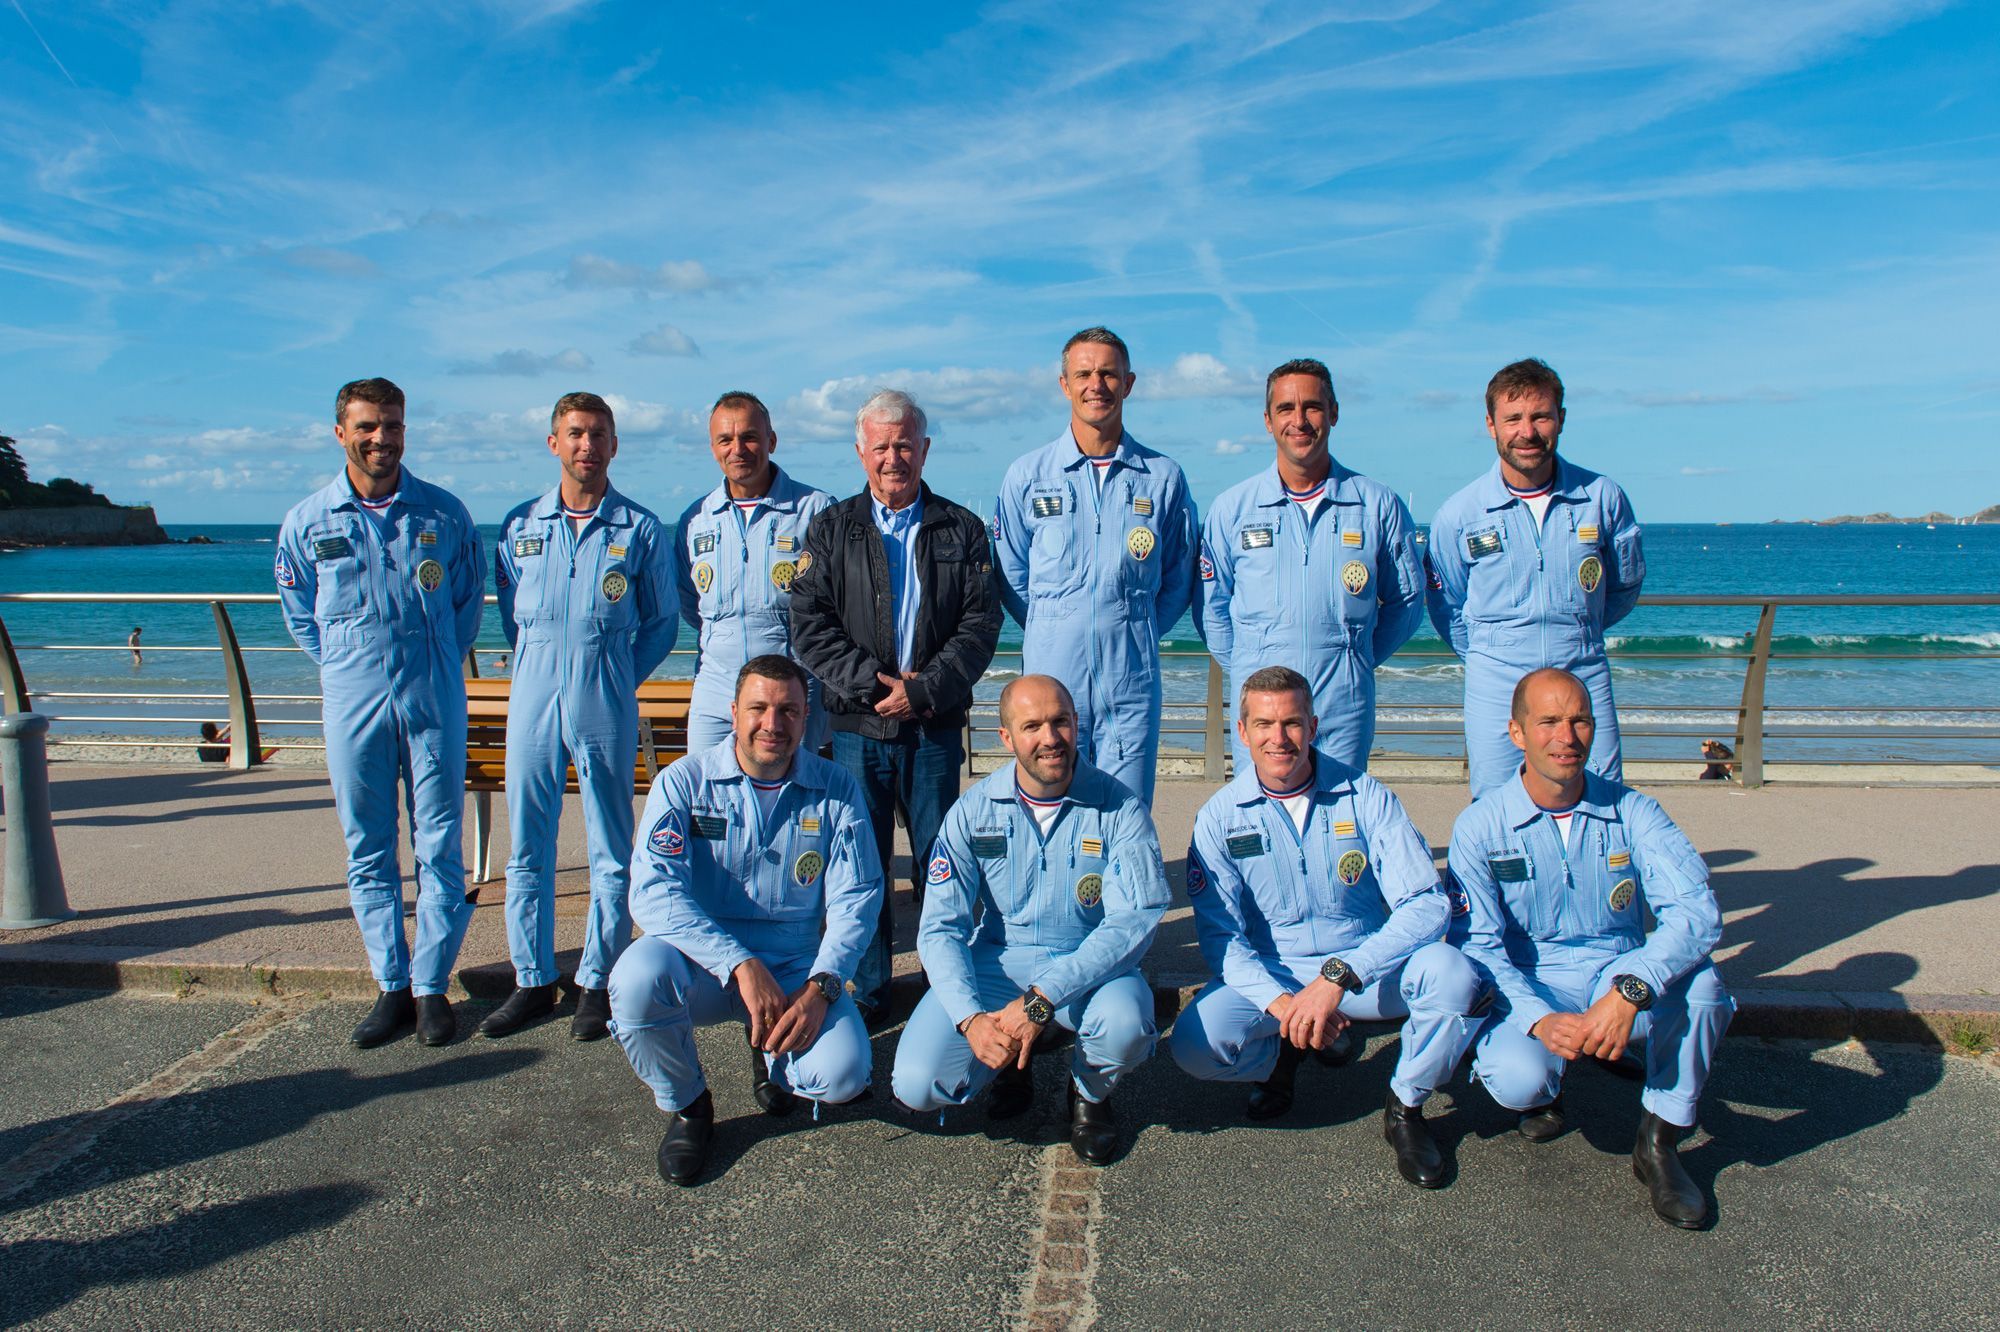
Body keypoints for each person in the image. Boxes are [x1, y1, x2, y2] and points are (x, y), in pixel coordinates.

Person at [1168, 666, 1480, 1188]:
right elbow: (1223, 939)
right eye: (1264, 724)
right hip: (1280, 976)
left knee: (1452, 974)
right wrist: (1286, 1004)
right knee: (1195, 1045)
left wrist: (1338, 977)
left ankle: (1406, 1105)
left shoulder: (1366, 796)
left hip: (1366, 971)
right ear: (1241, 732)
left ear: (1313, 726)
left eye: (1292, 723)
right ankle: (1282, 1056)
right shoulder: (1219, 817)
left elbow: (1427, 904)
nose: (1278, 738)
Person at [1450, 667, 1734, 1228]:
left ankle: (1659, 1142)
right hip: (1531, 983)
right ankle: (1545, 1086)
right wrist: (1538, 1019)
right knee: (1518, 1080)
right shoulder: (1480, 827)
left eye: (1580, 720)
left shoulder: (1635, 812)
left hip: (1615, 973)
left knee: (1704, 987)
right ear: (1516, 733)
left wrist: (1631, 989)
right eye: (1549, 721)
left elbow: (1697, 912)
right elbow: (1478, 945)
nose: (1567, 736)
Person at [607, 655, 883, 1186]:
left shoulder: (837, 788)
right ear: (734, 713)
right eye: (758, 708)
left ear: (809, 719)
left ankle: (771, 1051)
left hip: (791, 966)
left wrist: (822, 986)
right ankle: (690, 1104)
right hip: (702, 962)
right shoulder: (683, 783)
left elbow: (858, 898)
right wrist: (737, 961)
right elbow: (652, 891)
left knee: (844, 1075)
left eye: (789, 711)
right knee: (635, 982)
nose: (773, 725)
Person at [274, 377, 483, 1048]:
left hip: (432, 696)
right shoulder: (309, 522)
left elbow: (467, 608)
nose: (380, 438)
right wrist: (348, 663)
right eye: (366, 426)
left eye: (391, 425)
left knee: (439, 843)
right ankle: (390, 984)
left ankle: (431, 987)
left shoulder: (444, 515)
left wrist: (424, 659)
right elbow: (301, 617)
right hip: (353, 698)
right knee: (368, 846)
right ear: (340, 432)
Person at [890, 675, 1167, 1166]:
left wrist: (1042, 1001)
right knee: (918, 1083)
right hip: (999, 963)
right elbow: (940, 928)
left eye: (1060, 721)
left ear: (1077, 724)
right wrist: (970, 1018)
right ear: (1006, 738)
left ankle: (1089, 1092)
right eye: (1032, 725)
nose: (1050, 737)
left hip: (1087, 968)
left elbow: (1133, 921)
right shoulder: (973, 811)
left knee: (1126, 1024)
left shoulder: (1121, 808)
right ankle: (1007, 1066)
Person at [789, 389, 1002, 1021]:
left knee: (941, 861)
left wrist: (922, 691)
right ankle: (871, 989)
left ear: (925, 448)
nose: (892, 457)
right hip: (856, 728)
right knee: (862, 865)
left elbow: (980, 626)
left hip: (933, 728)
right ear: (860, 452)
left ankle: (948, 987)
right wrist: (875, 687)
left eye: (904, 444)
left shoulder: (961, 529)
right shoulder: (832, 529)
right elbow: (809, 623)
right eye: (880, 446)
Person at [483, 392, 677, 1042]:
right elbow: (514, 614)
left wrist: (615, 675)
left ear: (614, 445)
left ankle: (598, 977)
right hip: (534, 694)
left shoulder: (641, 531)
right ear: (553, 444)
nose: (586, 446)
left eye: (598, 434)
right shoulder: (518, 527)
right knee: (527, 846)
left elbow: (660, 624)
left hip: (604, 695)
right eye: (574, 434)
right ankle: (532, 979)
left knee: (608, 847)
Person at [993, 327, 1197, 807]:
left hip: (1130, 686)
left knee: (1125, 812)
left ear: (1128, 383)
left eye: (1108, 373)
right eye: (1084, 373)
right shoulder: (1029, 475)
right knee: (1051, 808)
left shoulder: (1162, 477)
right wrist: (1053, 623)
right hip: (1050, 685)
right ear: (1065, 384)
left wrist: (1133, 626)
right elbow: (1011, 576)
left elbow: (1177, 578)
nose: (1096, 384)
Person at [1426, 358, 1645, 798]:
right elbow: (1445, 603)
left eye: (1540, 416)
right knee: (1495, 802)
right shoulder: (1459, 513)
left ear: (1561, 419)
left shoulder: (1601, 498)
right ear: (1491, 425)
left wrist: (1578, 632)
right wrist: (1491, 652)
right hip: (1496, 681)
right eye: (1513, 419)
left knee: (1601, 795)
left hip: (1581, 670)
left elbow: (1624, 586)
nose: (1527, 431)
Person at [1197, 358, 1424, 775]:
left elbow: (1407, 603)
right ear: (1268, 420)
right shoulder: (1233, 509)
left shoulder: (1376, 505)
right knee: (1263, 823)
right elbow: (1212, 609)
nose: (1299, 421)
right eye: (1286, 408)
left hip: (1343, 706)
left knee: (1341, 825)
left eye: (1312, 407)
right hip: (1263, 710)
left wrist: (1353, 658)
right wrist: (1252, 663)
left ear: (1333, 413)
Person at [676, 391, 834, 754]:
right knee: (706, 795)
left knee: (791, 797)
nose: (738, 449)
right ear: (713, 447)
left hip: (792, 686)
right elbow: (689, 602)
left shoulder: (814, 510)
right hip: (717, 687)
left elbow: (838, 602)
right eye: (725, 440)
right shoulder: (695, 519)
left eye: (749, 437)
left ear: (771, 440)